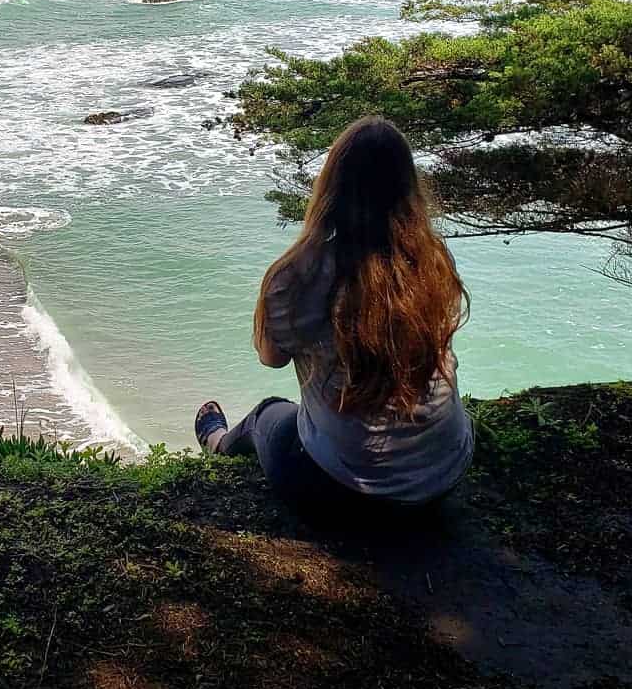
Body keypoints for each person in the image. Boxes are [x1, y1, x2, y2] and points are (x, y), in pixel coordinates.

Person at [195, 116, 473, 521]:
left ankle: (217, 442)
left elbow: (271, 357)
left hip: (343, 491)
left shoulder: (297, 275)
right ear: (408, 187)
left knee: (267, 415)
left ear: (331, 186)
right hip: (445, 474)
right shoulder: (431, 261)